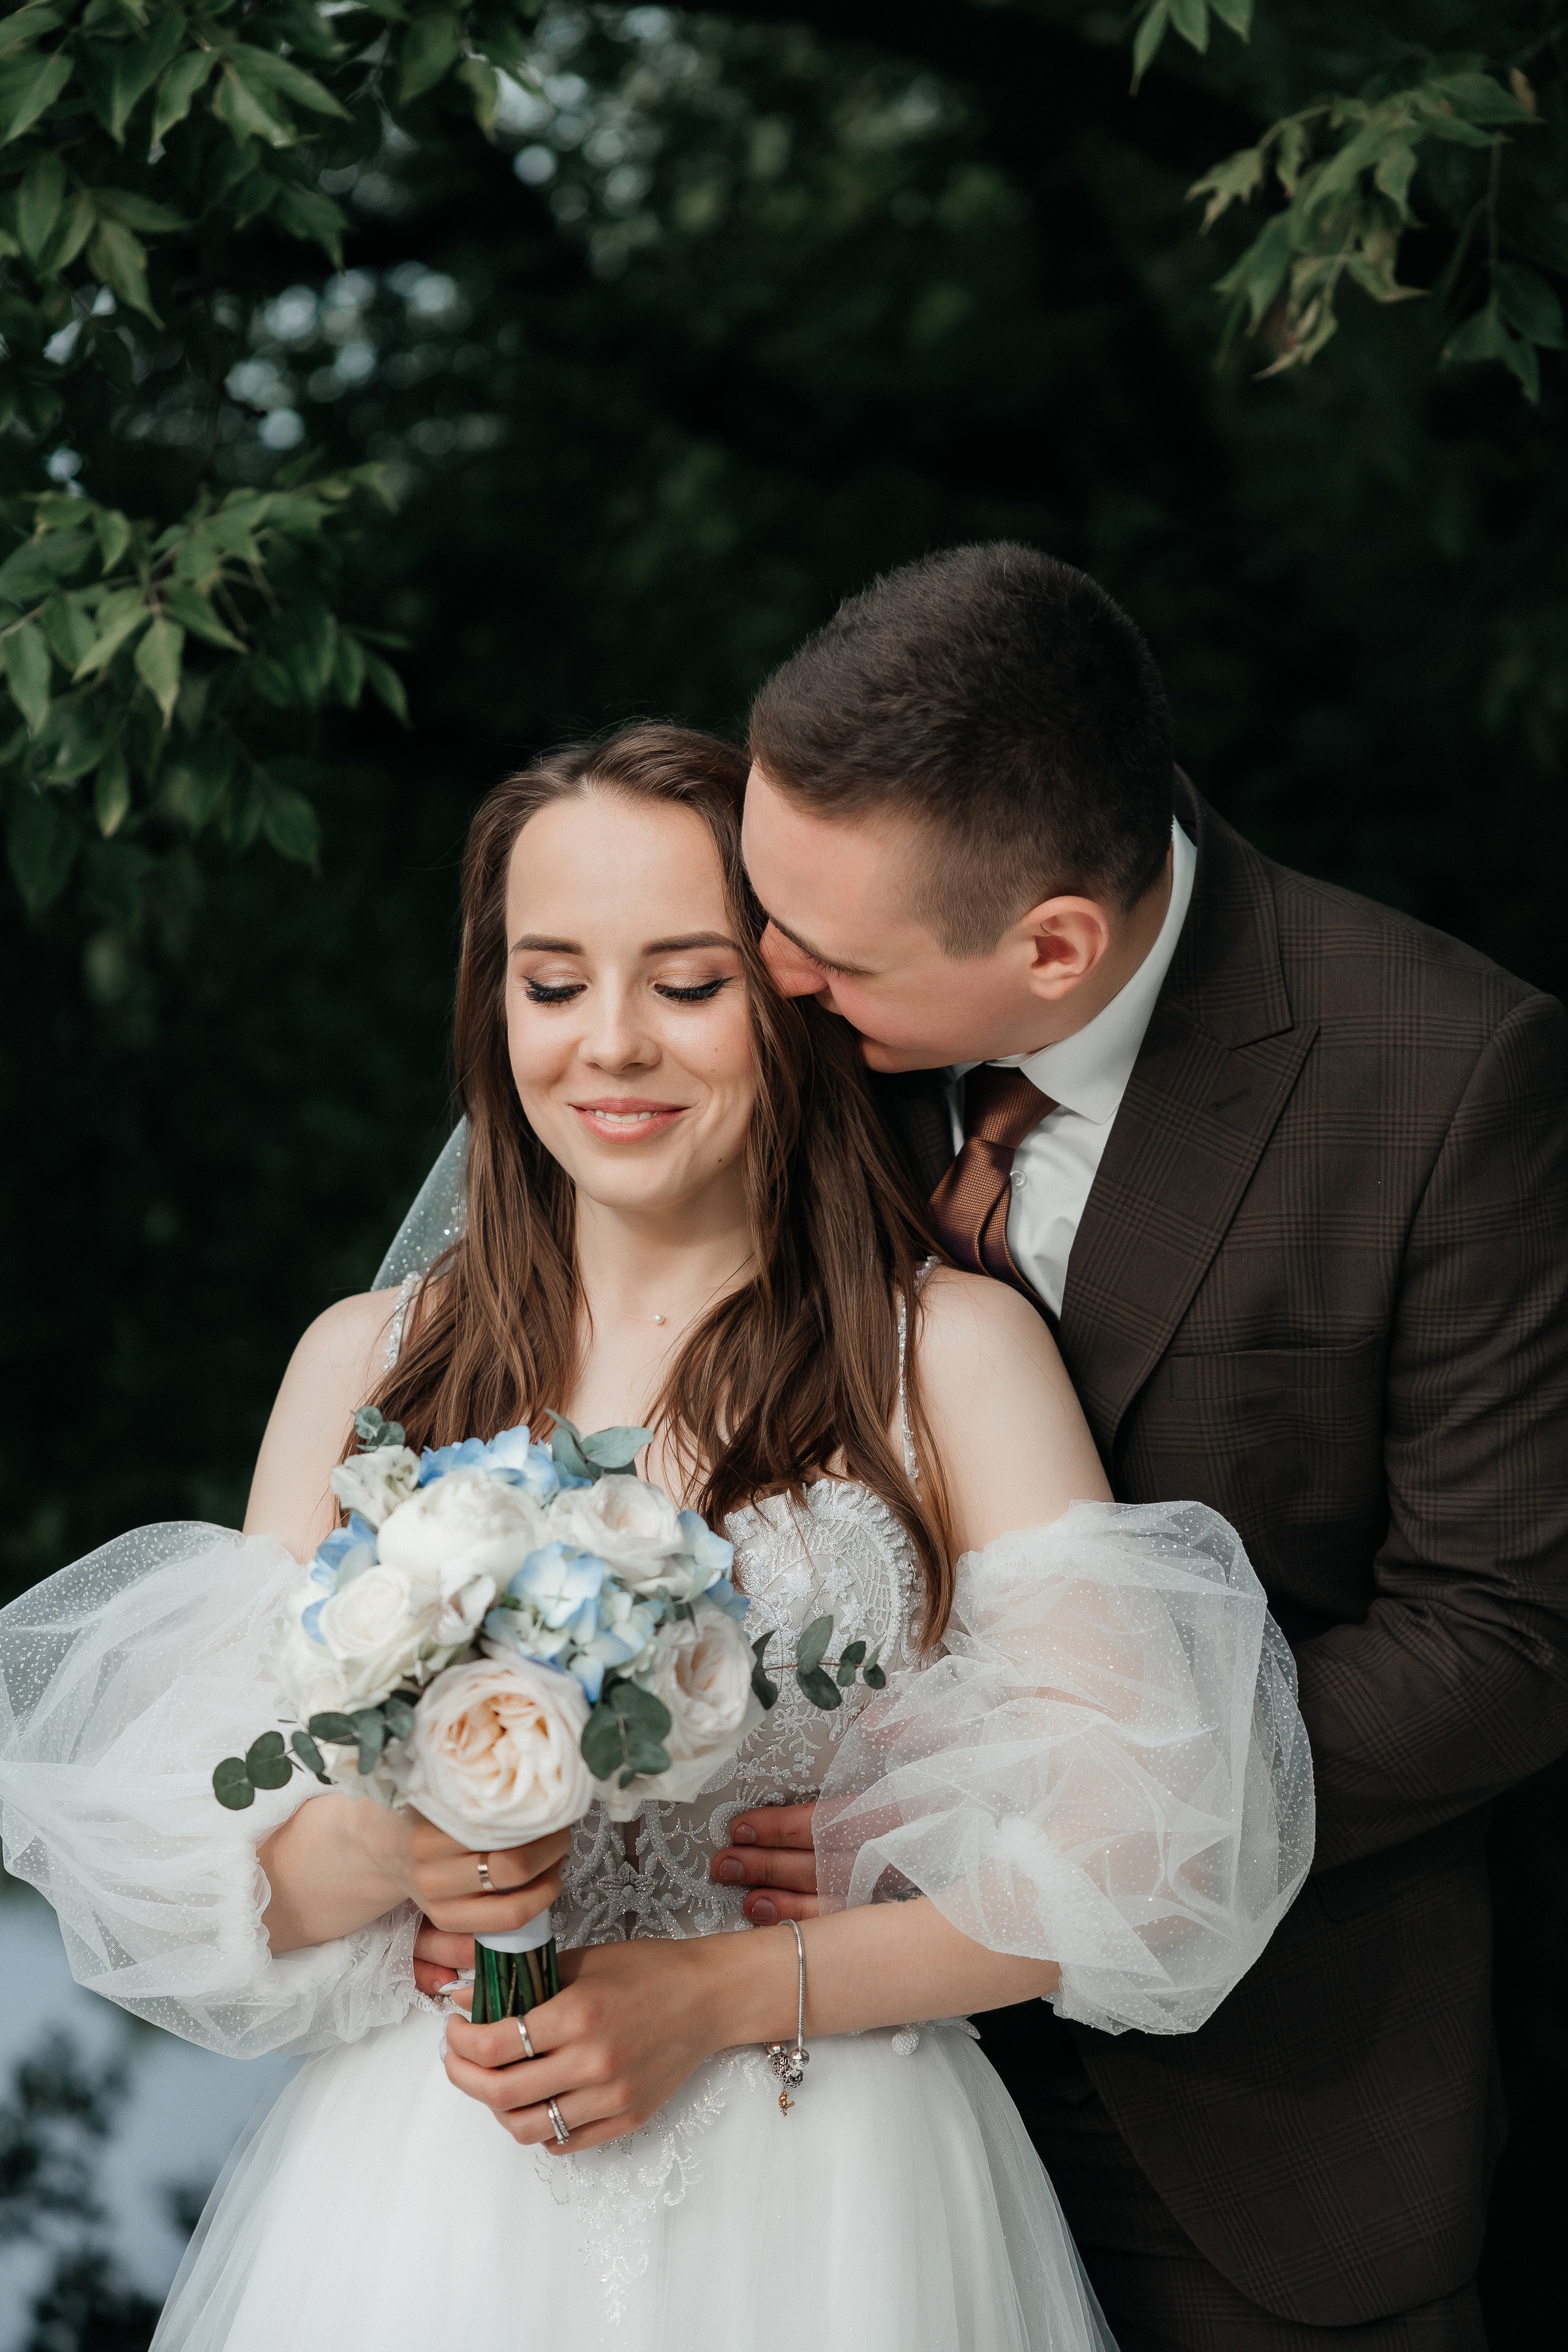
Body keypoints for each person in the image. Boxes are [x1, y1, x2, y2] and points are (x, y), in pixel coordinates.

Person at [0, 724, 1310, 2352]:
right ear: (496, 1012)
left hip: (829, 2185)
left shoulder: (945, 1357)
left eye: (685, 983)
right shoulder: (369, 1366)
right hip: (429, 2200)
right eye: (553, 984)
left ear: (789, 996)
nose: (609, 1044)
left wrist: (734, 1994)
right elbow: (218, 1866)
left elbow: (1153, 1854)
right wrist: (414, 1853)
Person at [702, 544, 1568, 2352]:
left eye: (826, 949)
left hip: (1259, 2126)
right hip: (798, 2130)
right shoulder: (802, 1045)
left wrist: (1018, 1832)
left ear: (1055, 948)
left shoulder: (1449, 1080)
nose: (765, 975)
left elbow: (1501, 1643)